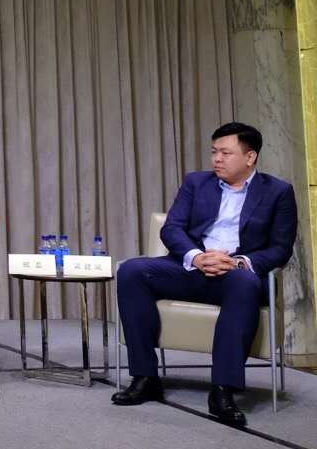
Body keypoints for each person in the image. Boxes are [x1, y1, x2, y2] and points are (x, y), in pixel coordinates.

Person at [111, 122, 296, 427]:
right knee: (132, 271)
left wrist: (238, 262)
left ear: (250, 157)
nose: (216, 159)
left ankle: (222, 390)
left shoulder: (278, 192)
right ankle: (145, 377)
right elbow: (172, 228)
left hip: (237, 276)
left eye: (225, 153)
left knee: (244, 282)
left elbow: (280, 248)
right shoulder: (196, 183)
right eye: (214, 152)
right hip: (192, 268)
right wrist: (198, 257)